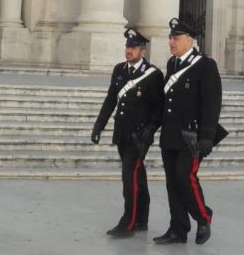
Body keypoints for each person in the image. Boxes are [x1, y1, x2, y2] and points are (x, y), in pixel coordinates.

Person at [153, 18, 223, 245]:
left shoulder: (205, 65)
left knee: (185, 177)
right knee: (172, 182)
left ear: (189, 40)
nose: (171, 42)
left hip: (191, 137)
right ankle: (178, 228)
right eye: (170, 38)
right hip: (170, 135)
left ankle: (204, 217)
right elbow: (166, 102)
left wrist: (206, 136)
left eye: (175, 38)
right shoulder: (173, 64)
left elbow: (211, 103)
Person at [90, 28, 164, 238]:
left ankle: (128, 222)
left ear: (143, 51)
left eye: (133, 47)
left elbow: (159, 107)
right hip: (122, 132)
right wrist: (99, 125)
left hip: (139, 136)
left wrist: (149, 130)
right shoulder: (119, 70)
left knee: (128, 176)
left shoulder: (153, 75)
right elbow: (111, 99)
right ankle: (141, 218)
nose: (128, 50)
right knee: (137, 175)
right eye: (127, 47)